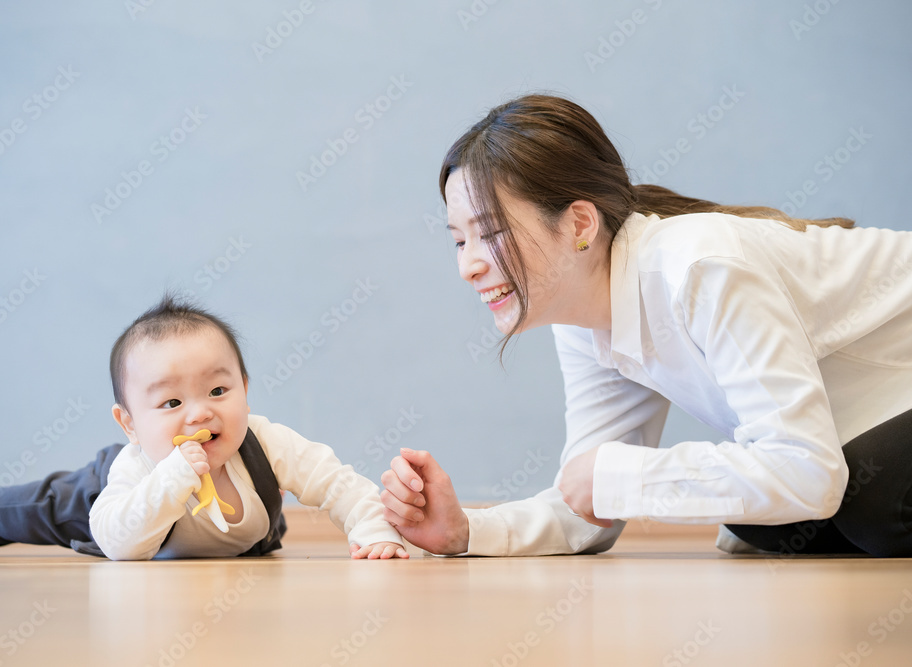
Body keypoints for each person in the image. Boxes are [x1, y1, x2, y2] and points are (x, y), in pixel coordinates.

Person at [380, 93, 912, 558]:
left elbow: (809, 473)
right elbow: (586, 505)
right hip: (855, 433)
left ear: (579, 224)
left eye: (491, 233)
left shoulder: (702, 269)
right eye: (460, 240)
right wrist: (465, 530)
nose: (468, 266)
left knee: (870, 500)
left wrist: (620, 475)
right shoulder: (583, 313)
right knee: (765, 520)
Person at [0, 296, 408, 560]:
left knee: (267, 511)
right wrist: (171, 479)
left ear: (245, 388)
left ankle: (255, 526)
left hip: (237, 532)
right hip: (120, 501)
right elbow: (122, 547)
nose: (199, 414)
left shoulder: (262, 441)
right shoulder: (134, 468)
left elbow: (336, 481)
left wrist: (373, 531)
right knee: (34, 508)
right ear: (129, 422)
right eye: (171, 402)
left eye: (218, 390)